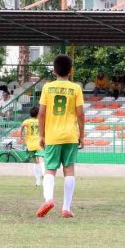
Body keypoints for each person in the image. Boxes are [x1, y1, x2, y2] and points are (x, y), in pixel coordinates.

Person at [36, 54, 85, 219]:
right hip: (71, 135)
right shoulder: (76, 88)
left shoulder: (47, 88)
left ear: (54, 70)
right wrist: (82, 135)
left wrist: (42, 135)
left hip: (53, 136)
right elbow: (80, 114)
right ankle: (66, 208)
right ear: (71, 71)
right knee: (69, 170)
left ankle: (49, 199)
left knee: (50, 169)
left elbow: (41, 114)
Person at [21, 106, 45, 187]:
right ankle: (45, 176)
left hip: (30, 144)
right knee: (41, 159)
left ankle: (38, 181)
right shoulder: (40, 121)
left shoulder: (27, 121)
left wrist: (22, 135)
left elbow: (22, 126)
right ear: (38, 113)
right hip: (39, 143)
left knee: (35, 161)